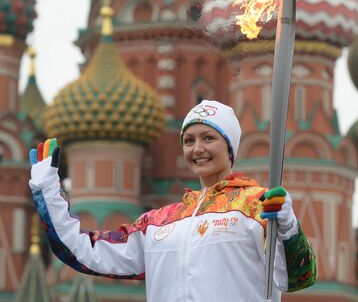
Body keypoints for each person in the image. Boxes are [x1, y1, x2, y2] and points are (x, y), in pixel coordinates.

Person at [29, 100, 316, 301]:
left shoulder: (256, 207)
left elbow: (297, 277)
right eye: (189, 141)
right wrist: (48, 192)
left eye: (208, 138)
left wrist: (287, 226)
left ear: (230, 148)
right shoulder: (158, 224)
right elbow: (82, 252)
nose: (197, 149)